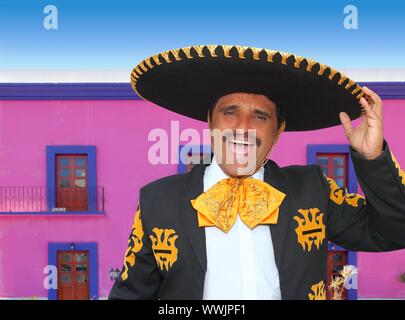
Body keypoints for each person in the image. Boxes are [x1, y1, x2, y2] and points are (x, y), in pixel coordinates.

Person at [109, 45, 405, 300]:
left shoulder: (313, 190)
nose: (242, 127)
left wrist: (372, 157)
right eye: (230, 112)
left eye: (260, 116)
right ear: (210, 123)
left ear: (278, 131)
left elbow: (395, 231)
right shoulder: (158, 201)